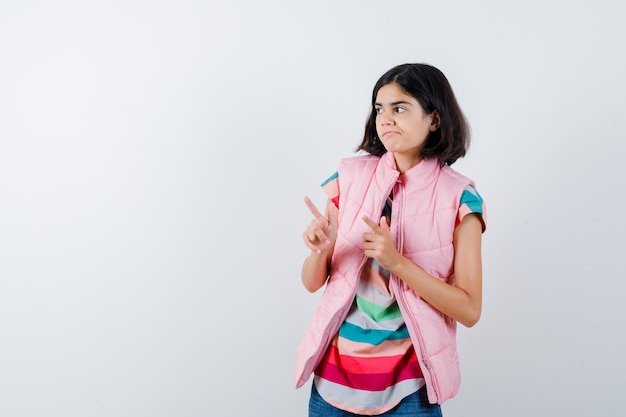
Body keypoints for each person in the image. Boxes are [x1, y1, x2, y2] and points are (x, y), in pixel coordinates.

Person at [293, 63, 486, 416]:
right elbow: (311, 283)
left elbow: (470, 310)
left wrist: (398, 264)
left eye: (400, 108)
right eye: (379, 109)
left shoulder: (461, 199)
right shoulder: (348, 179)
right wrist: (319, 252)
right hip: (333, 384)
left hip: (410, 390)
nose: (385, 119)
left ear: (434, 119)